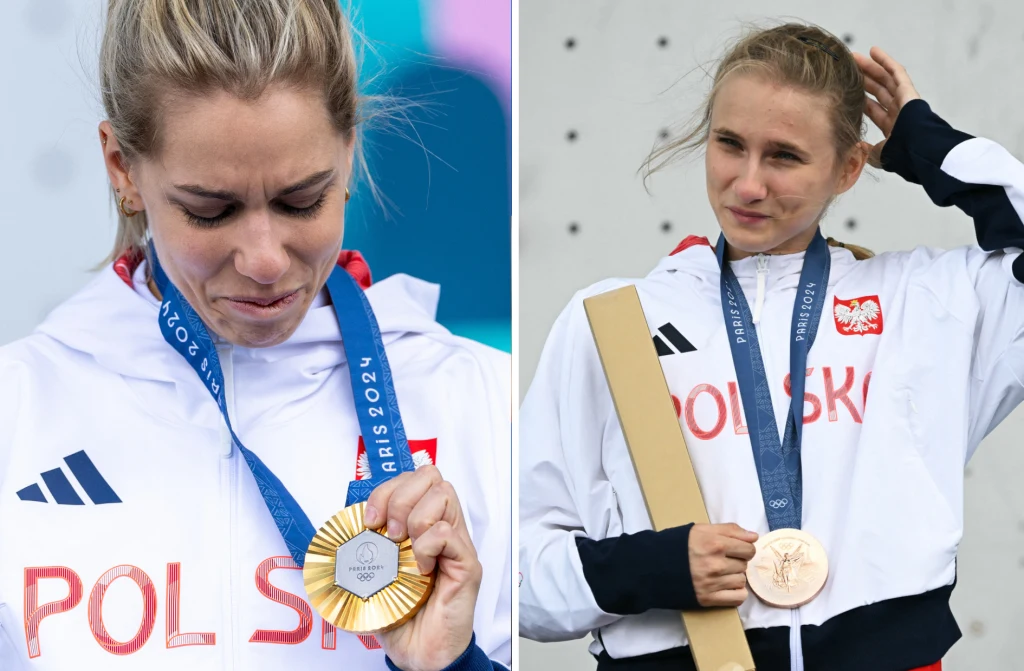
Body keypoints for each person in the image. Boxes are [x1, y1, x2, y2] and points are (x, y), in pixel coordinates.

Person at [0, 2, 510, 670]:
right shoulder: (18, 409)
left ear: (349, 153)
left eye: (302, 200)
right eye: (211, 211)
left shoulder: (479, 397)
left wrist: (450, 668)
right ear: (122, 167)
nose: (265, 259)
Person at [519, 22, 1024, 671]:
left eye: (784, 155)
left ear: (848, 168)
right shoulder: (613, 322)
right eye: (730, 144)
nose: (748, 184)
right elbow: (520, 578)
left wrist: (927, 146)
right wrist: (649, 568)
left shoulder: (925, 305)